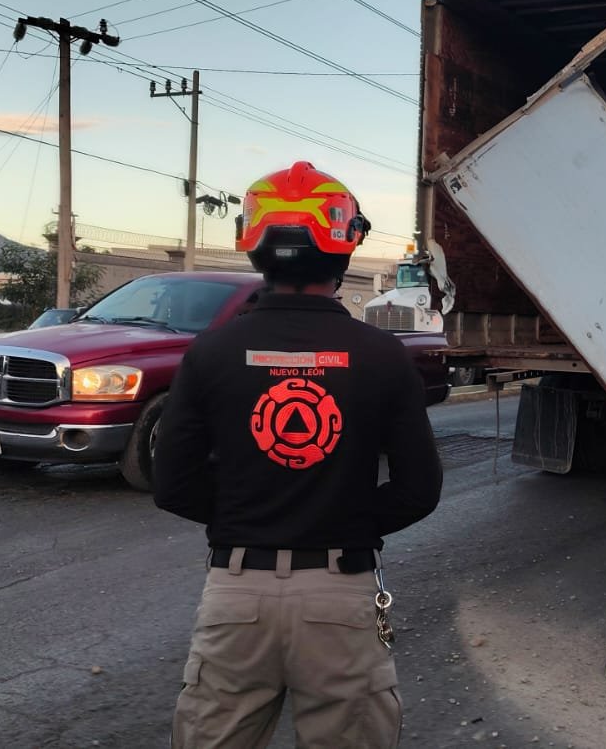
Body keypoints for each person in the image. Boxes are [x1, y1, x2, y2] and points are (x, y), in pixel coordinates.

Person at [153, 161, 442, 749]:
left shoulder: (209, 352)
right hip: (341, 591)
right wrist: (342, 522)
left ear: (253, 245)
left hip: (235, 597)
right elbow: (418, 489)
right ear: (344, 247)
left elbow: (173, 484)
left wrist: (248, 519)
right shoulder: (383, 355)